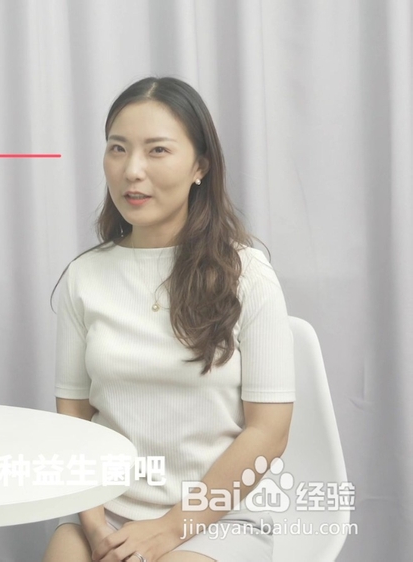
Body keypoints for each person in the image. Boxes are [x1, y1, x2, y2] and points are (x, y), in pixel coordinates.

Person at [43, 77, 295, 562]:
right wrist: (95, 526)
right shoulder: (85, 276)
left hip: (216, 516)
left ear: (201, 166)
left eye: (157, 150)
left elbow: (269, 432)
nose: (132, 170)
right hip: (105, 511)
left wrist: (169, 529)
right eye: (118, 148)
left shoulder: (247, 274)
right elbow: (73, 418)